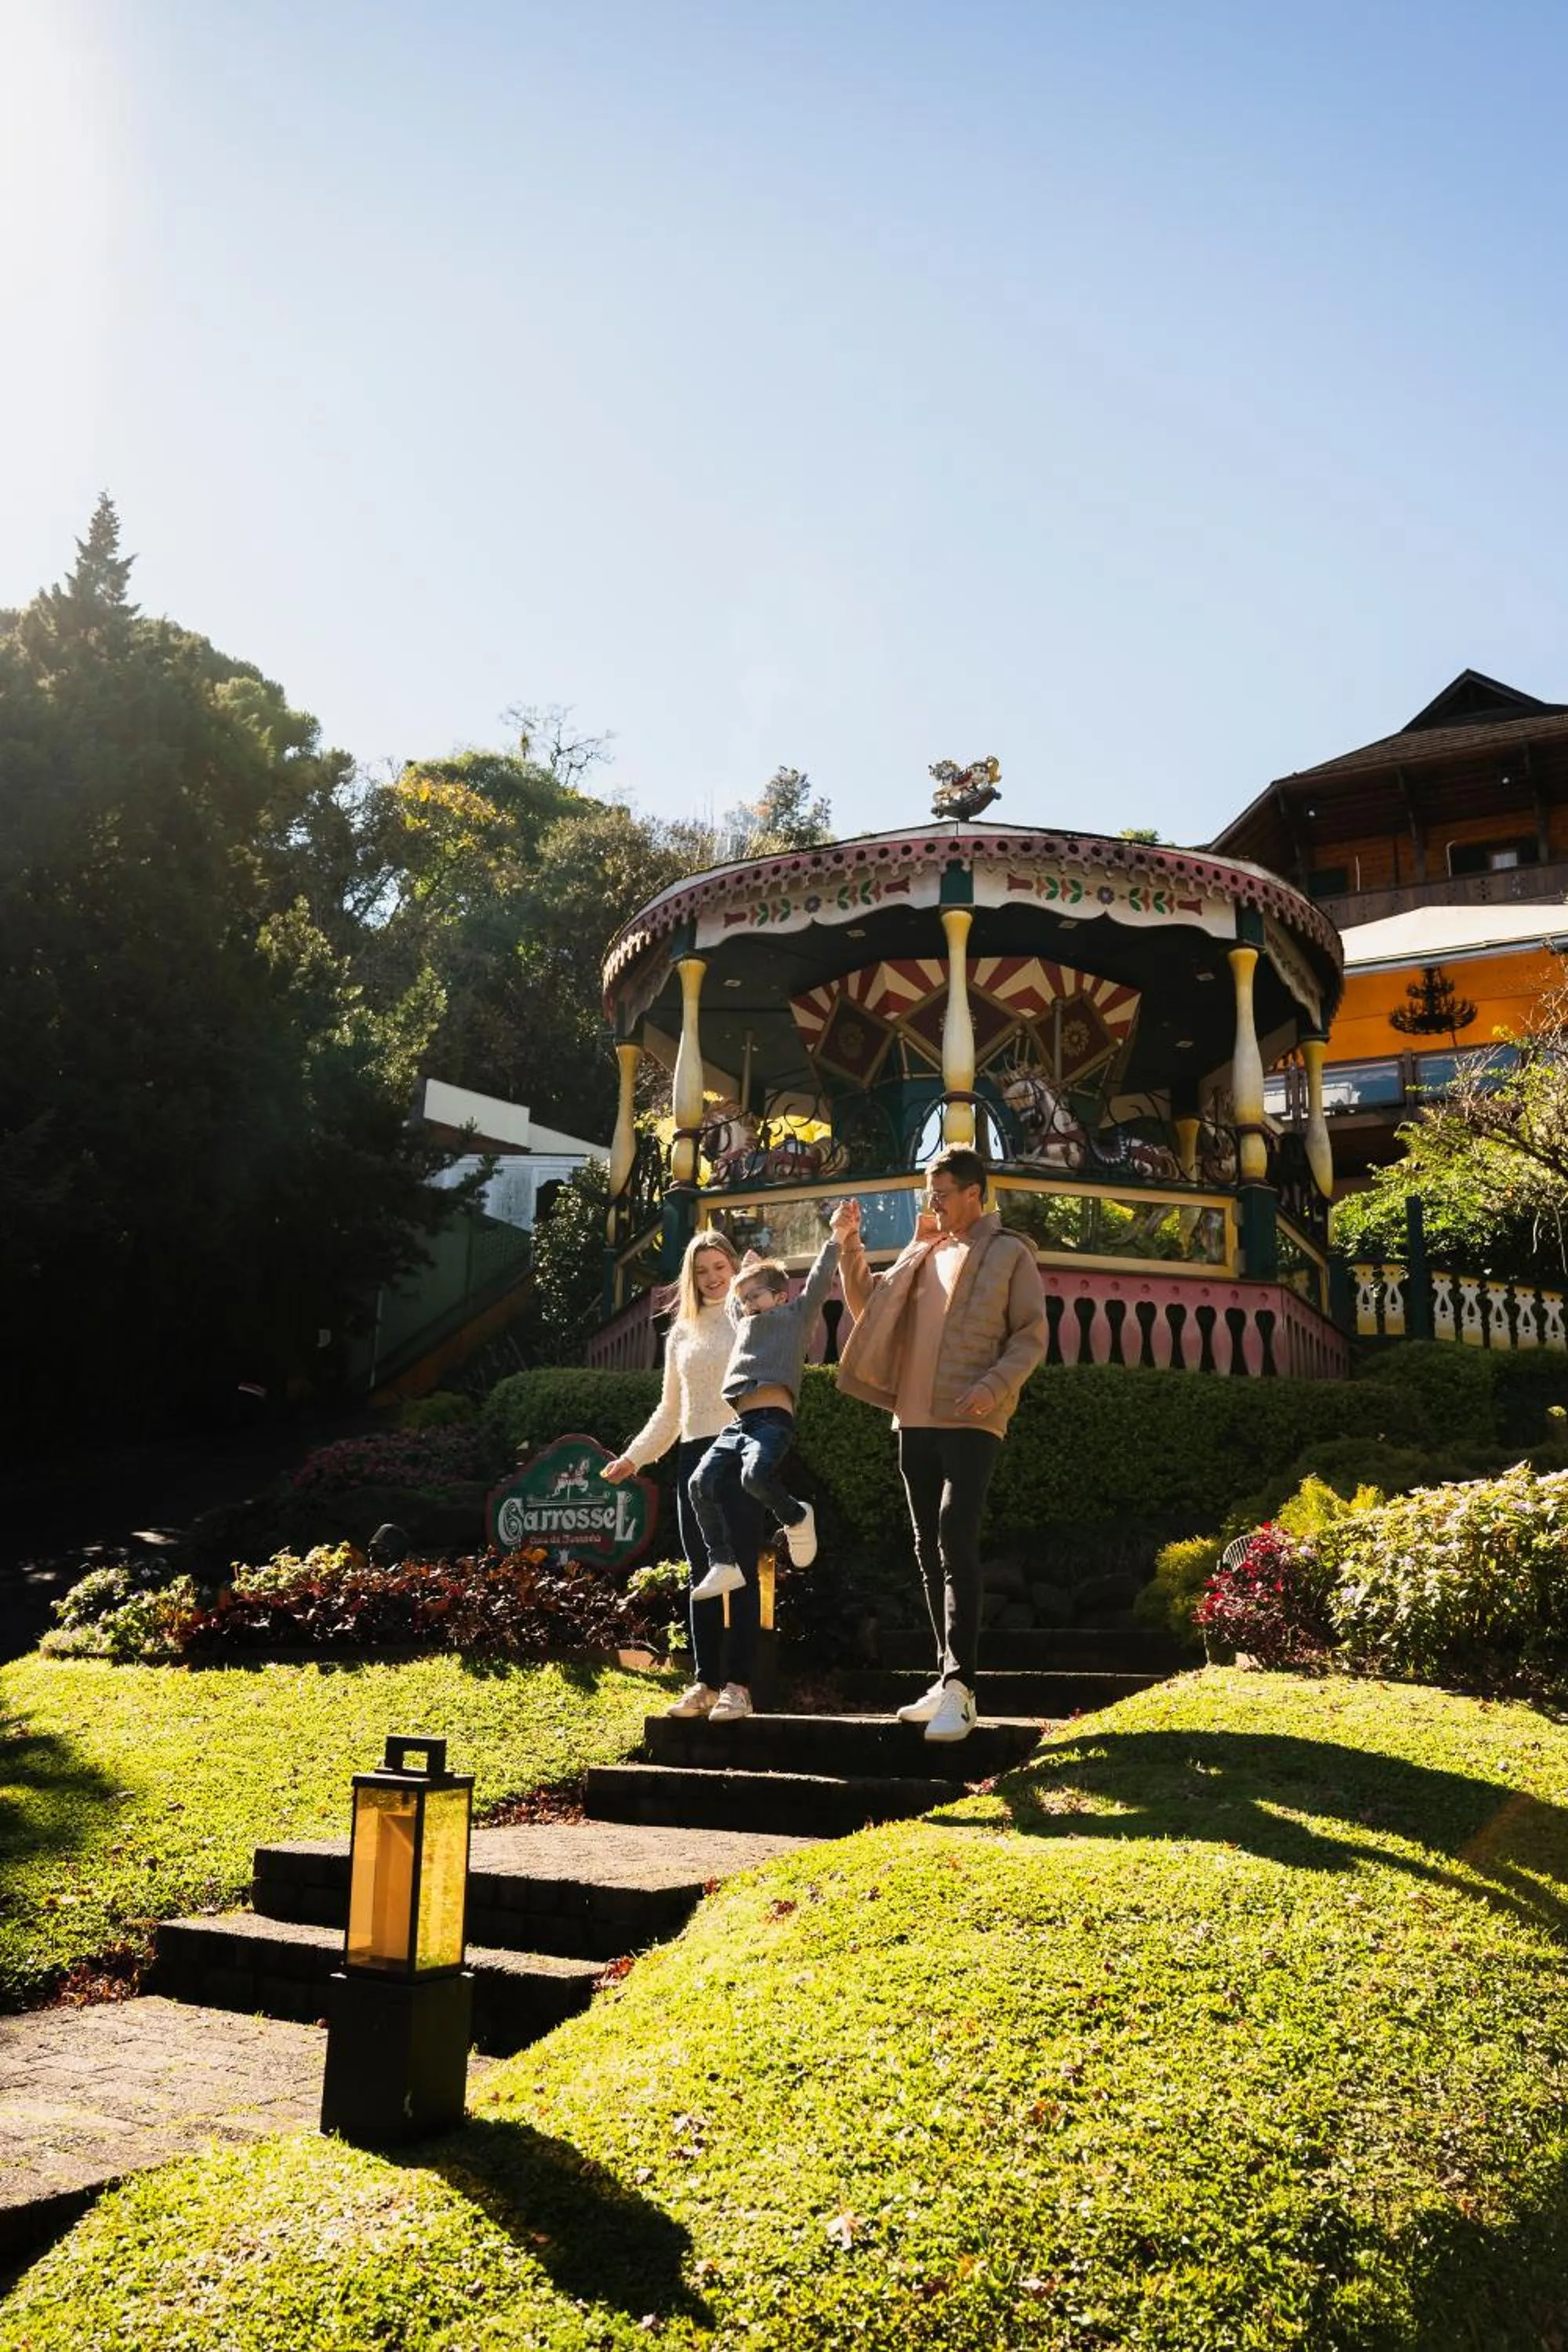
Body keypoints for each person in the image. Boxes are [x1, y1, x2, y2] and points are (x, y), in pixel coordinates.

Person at [836, 1148, 1046, 1744]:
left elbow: (1031, 1335)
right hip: (913, 1417)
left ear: (976, 1192)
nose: (934, 1203)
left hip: (973, 1417)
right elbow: (871, 1313)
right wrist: (851, 1243)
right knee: (928, 1546)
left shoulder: (1010, 1253)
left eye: (944, 1192)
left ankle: (963, 1688)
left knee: (956, 1536)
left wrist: (993, 1385)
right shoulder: (921, 1250)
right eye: (931, 1192)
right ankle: (944, 1678)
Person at [600, 1230, 764, 1725]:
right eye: (702, 1270)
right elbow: (671, 1410)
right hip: (694, 1457)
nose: (713, 1278)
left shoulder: (750, 1317)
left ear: (734, 1268)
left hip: (741, 1448)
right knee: (702, 1573)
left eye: (721, 1267)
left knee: (741, 1571)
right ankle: (706, 1682)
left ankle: (739, 1685)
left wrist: (755, 1287)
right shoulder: (681, 1333)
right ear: (690, 1278)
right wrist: (634, 1457)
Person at [684, 1203, 859, 1640]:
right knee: (698, 1484)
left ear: (780, 1297)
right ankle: (721, 1562)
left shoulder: (792, 1317)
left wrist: (836, 1236)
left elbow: (819, 1283)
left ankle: (796, 1516)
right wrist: (745, 1273)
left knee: (754, 1476)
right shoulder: (743, 1321)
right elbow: (732, 1301)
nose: (747, 1305)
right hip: (738, 1424)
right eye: (743, 1301)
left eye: (756, 1297)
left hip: (772, 1421)